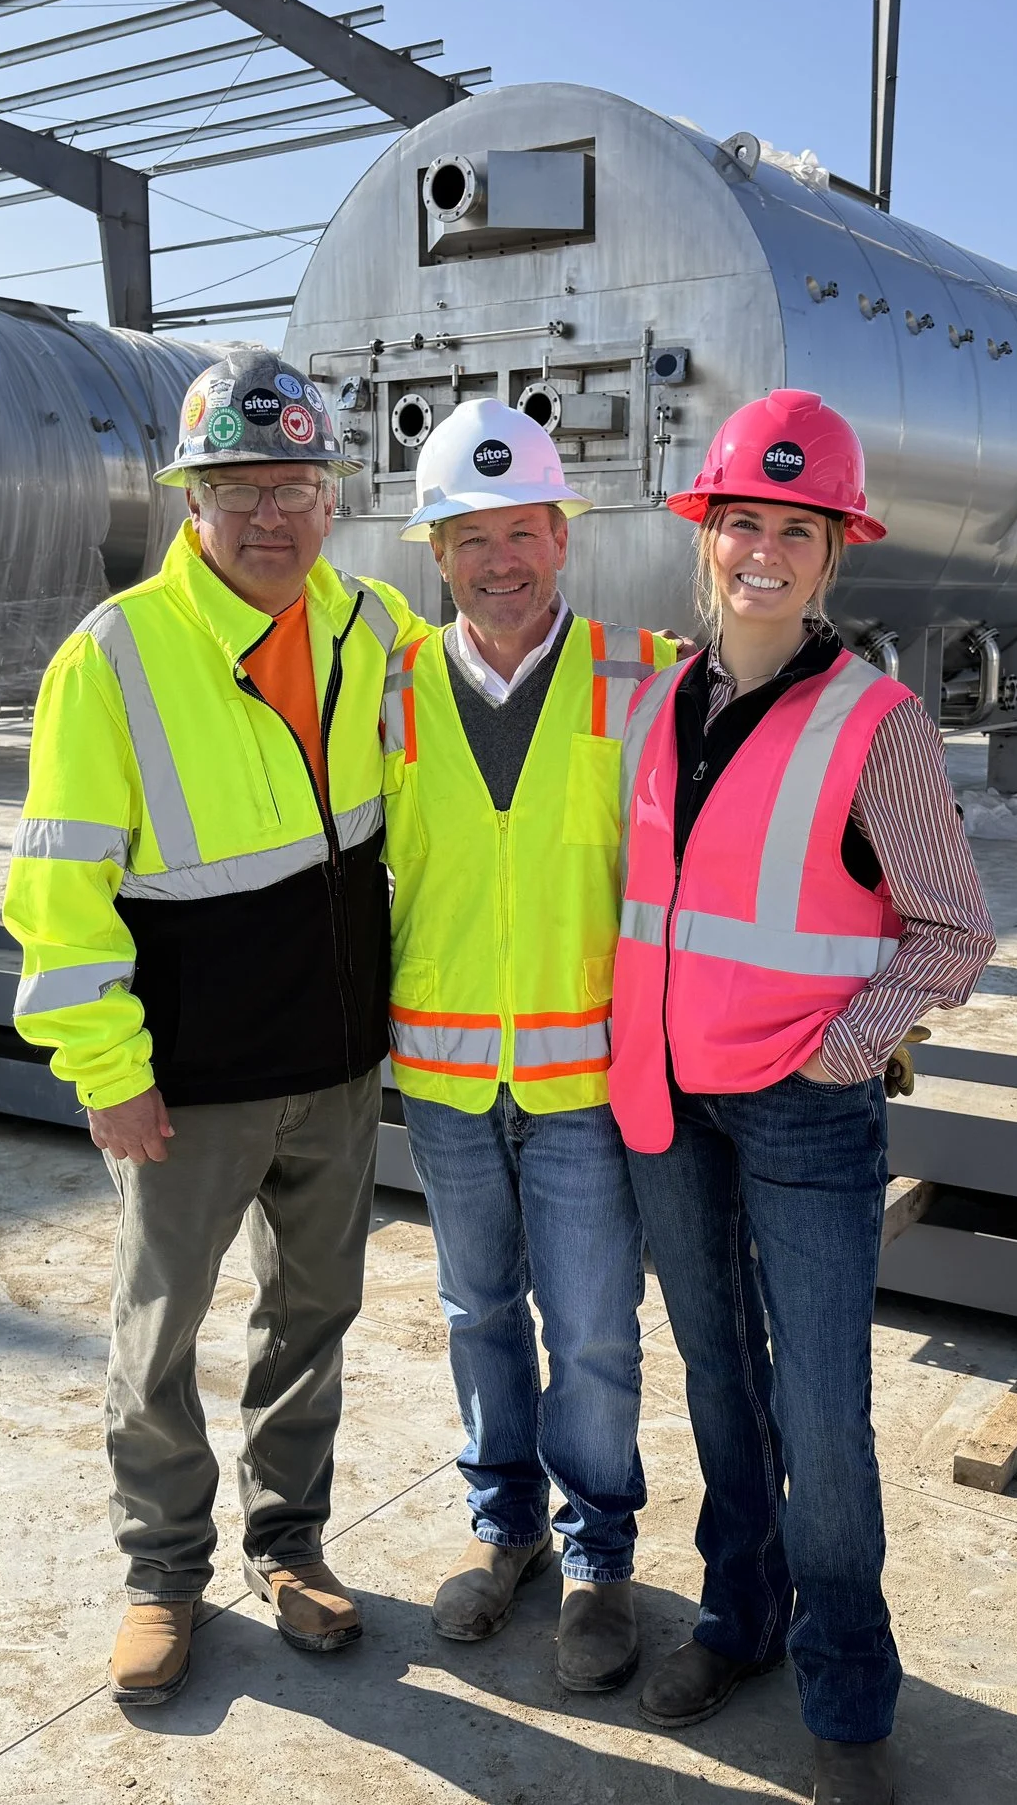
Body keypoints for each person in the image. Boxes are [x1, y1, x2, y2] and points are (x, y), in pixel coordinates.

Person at [4, 348, 420, 1708]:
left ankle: (290, 1544)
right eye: (236, 488)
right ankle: (162, 1569)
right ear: (190, 502)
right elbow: (60, 891)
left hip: (340, 1065)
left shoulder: (373, 627)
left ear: (331, 495)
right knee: (162, 1326)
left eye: (295, 485)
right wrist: (106, 1070)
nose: (270, 517)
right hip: (187, 1082)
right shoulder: (114, 656)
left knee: (314, 1312)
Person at [606, 391, 996, 1804]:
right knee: (720, 1383)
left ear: (837, 553)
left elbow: (951, 929)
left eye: (799, 529)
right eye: (744, 524)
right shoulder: (657, 698)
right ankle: (738, 1615)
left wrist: (845, 1044)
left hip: (802, 1112)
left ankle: (846, 1694)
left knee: (821, 1410)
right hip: (663, 1105)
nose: (766, 552)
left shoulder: (876, 722)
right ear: (706, 537)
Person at [382, 399, 679, 1690]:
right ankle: (506, 1532)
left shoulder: (645, 672)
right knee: (477, 1311)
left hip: (586, 1081)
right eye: (470, 538)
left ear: (564, 536)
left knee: (598, 1328)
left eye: (522, 531)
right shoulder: (389, 689)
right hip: (445, 1075)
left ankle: (599, 1558)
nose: (499, 561)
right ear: (434, 554)